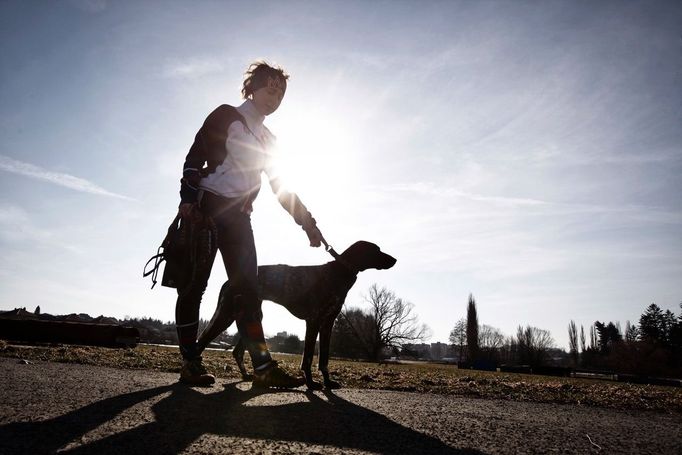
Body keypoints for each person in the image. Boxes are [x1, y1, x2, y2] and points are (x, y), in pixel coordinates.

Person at [175, 61, 323, 387]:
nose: (275, 95)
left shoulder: (270, 138)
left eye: (281, 91)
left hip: (239, 218)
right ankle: (190, 362)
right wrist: (187, 200)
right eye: (270, 87)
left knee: (248, 290)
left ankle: (263, 368)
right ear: (252, 87)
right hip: (207, 209)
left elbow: (281, 187)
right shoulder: (226, 115)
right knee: (194, 285)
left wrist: (308, 223)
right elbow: (193, 158)